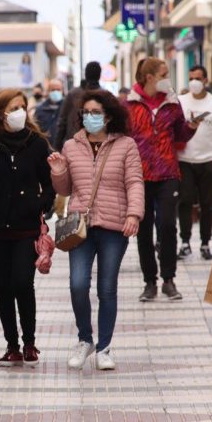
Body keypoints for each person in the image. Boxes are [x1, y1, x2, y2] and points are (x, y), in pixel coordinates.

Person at [48, 89, 144, 370]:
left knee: (107, 288)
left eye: (96, 113)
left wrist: (134, 214)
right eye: (86, 113)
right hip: (80, 225)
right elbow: (65, 189)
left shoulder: (126, 145)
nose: (90, 117)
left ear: (109, 115)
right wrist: (57, 172)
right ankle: (84, 339)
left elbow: (135, 182)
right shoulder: (71, 145)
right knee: (78, 284)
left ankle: (104, 348)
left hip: (115, 225)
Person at [0, 88, 55, 367]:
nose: (19, 112)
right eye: (13, 107)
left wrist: (40, 204)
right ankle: (12, 344)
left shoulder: (37, 142)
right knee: (3, 288)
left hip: (25, 227)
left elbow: (50, 183)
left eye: (22, 106)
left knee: (22, 282)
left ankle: (30, 341)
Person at [124, 57, 198, 302]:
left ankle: (168, 279)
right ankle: (149, 282)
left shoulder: (171, 102)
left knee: (167, 225)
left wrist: (192, 126)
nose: (168, 79)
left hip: (167, 172)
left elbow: (180, 134)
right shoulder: (128, 105)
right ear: (149, 78)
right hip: (138, 175)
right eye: (164, 74)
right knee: (143, 229)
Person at [177, 65, 212, 261]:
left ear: (206, 80)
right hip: (184, 160)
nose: (194, 82)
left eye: (198, 78)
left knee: (207, 204)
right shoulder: (180, 102)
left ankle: (206, 243)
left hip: (209, 160)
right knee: (185, 202)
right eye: (191, 77)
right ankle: (184, 242)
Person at [55, 61, 102, 151]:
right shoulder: (105, 95)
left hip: (74, 145)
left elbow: (62, 122)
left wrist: (56, 147)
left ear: (85, 74)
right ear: (99, 75)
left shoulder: (73, 94)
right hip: (98, 145)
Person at [34, 78, 64, 148]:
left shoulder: (68, 108)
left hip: (63, 150)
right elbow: (36, 131)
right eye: (53, 90)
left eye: (58, 90)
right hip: (45, 150)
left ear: (62, 91)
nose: (56, 92)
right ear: (48, 91)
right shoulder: (40, 109)